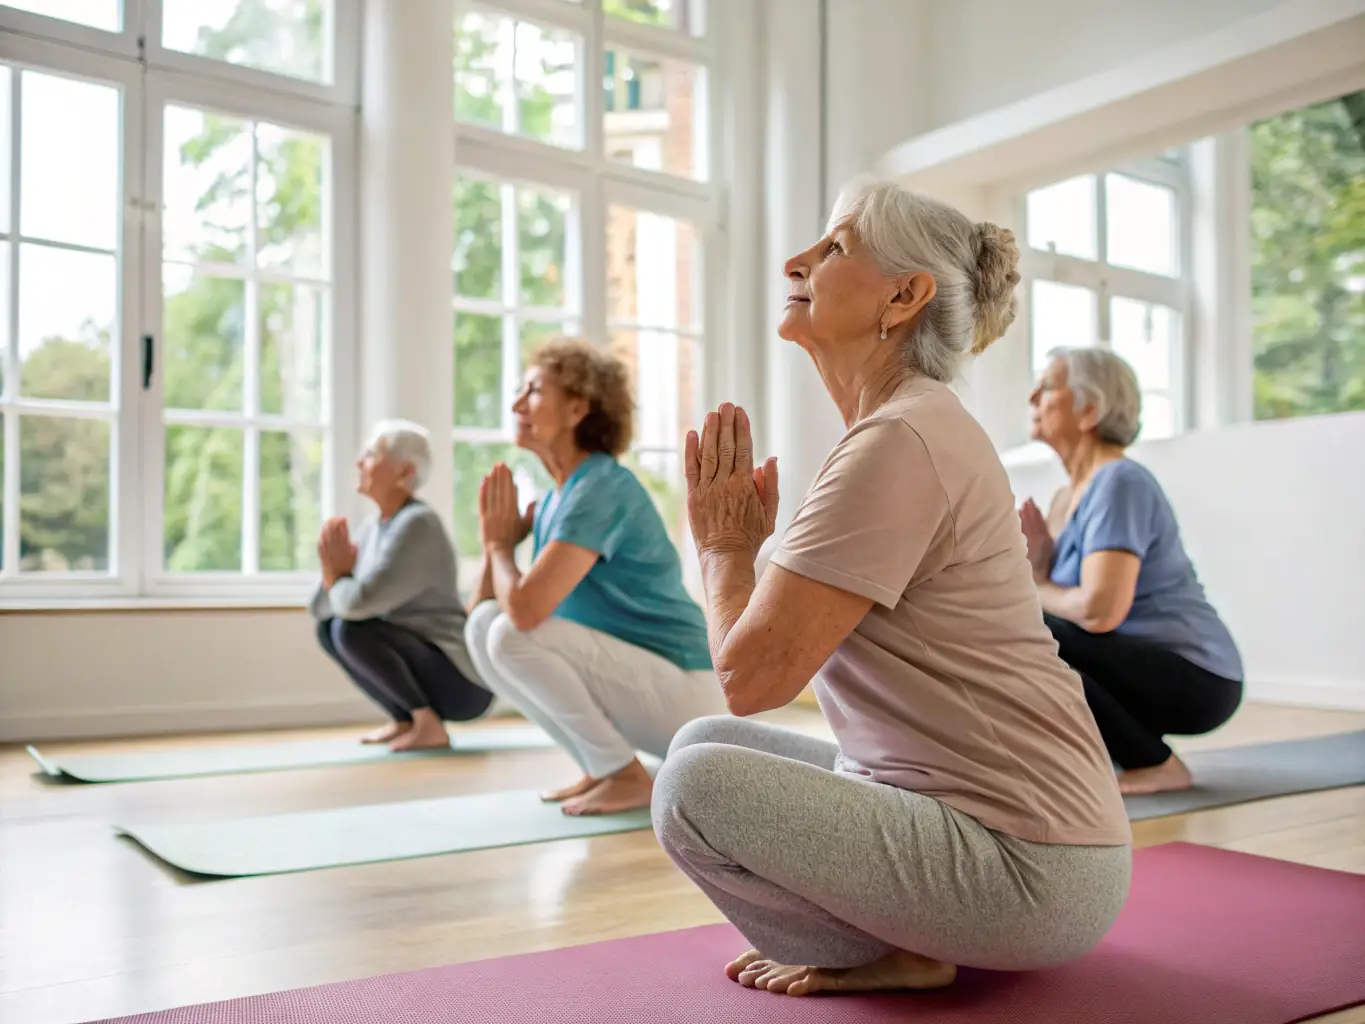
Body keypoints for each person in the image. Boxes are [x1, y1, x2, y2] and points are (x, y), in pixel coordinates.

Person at [650, 178, 1133, 999]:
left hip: (1031, 871)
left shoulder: (901, 439)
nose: (796, 260)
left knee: (692, 790)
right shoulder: (906, 425)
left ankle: (881, 950)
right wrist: (735, 551)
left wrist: (726, 549)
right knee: (698, 746)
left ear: (904, 296)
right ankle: (905, 941)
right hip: (1027, 847)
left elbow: (751, 679)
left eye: (834, 247)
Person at [464, 338, 725, 816]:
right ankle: (600, 762)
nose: (517, 403)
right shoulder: (558, 498)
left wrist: (501, 546)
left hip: (690, 694)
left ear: (577, 408)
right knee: (482, 627)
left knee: (509, 633)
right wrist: (494, 543)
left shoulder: (599, 488)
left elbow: (523, 610)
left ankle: (622, 775)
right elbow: (484, 607)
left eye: (534, 390)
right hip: (650, 685)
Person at [1018, 347, 1244, 795]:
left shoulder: (1120, 481)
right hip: (1138, 664)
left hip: (1198, 678)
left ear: (1088, 409)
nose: (1032, 397)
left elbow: (1100, 612)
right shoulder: (1067, 497)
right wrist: (1038, 565)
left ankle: (1157, 765)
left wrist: (1035, 584)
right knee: (1024, 629)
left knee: (1025, 627)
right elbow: (1066, 608)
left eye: (1047, 386)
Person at [311, 419, 493, 751]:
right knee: (329, 629)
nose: (359, 462)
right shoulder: (373, 528)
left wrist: (339, 577)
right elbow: (321, 608)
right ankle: (405, 720)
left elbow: (356, 605)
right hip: (424, 663)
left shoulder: (418, 525)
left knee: (349, 630)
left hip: (462, 683)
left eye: (371, 454)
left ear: (404, 472)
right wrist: (333, 575)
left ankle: (428, 725)